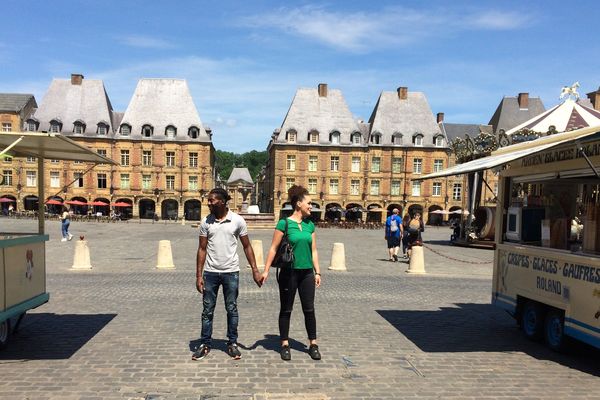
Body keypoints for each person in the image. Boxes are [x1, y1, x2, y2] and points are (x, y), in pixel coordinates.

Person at [193, 188, 262, 361]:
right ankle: (205, 343)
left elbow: (247, 246)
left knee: (231, 309)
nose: (208, 203)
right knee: (207, 310)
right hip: (210, 272)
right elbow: (202, 249)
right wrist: (198, 275)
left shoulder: (237, 221)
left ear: (223, 201)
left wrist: (255, 270)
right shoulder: (206, 222)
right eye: (208, 200)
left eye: (212, 200)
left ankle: (232, 343)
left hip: (231, 272)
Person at [262, 185, 322, 361]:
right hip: (289, 273)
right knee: (286, 309)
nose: (311, 206)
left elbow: (314, 251)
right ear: (298, 203)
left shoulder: (310, 225)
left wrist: (318, 272)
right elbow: (273, 249)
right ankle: (285, 344)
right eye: (309, 203)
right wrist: (265, 271)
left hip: (307, 274)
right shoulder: (284, 223)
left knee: (309, 309)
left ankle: (313, 344)